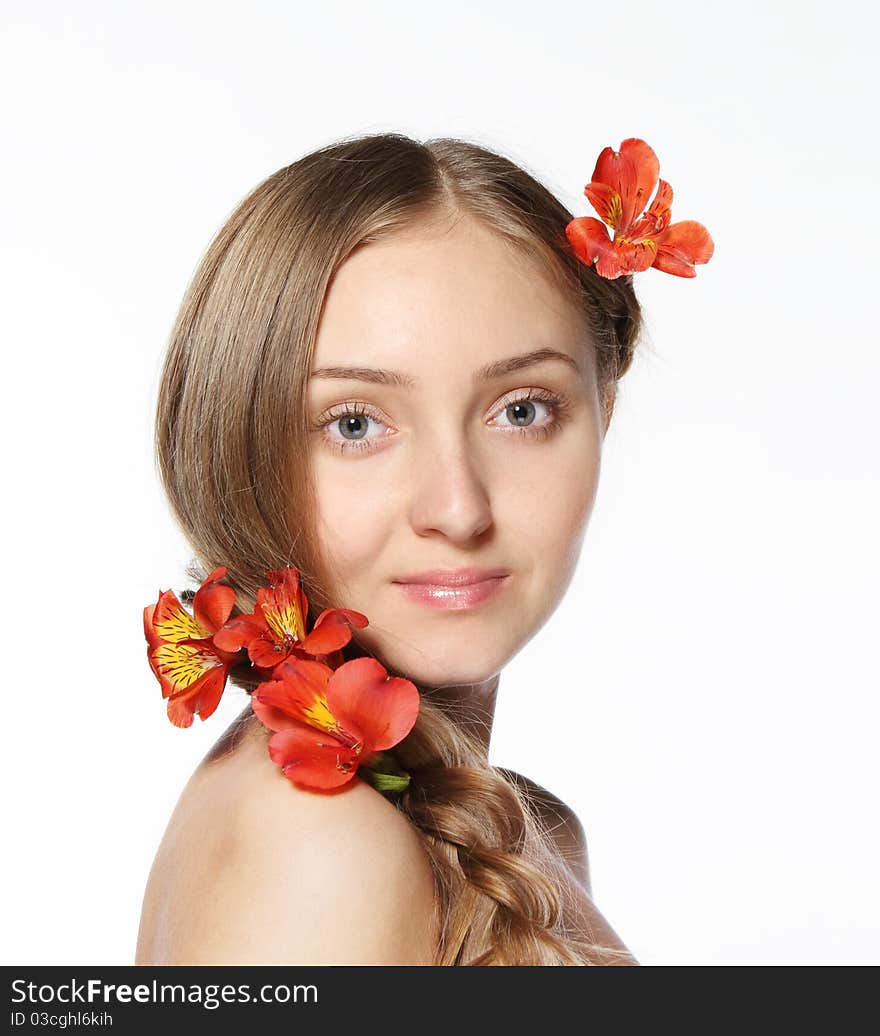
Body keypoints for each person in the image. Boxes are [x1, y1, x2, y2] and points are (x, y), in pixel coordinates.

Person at [135, 131, 648, 966]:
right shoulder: (323, 844)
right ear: (238, 445)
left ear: (604, 411)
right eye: (355, 424)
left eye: (522, 409)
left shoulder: (525, 836)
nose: (458, 507)